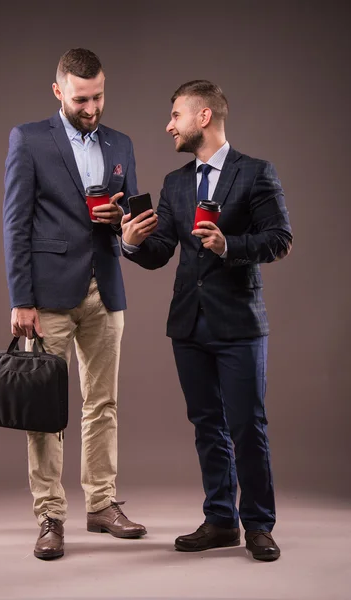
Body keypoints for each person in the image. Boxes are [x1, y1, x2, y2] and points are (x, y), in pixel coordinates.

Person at [121, 80, 293, 562]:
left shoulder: (256, 172)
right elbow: (160, 254)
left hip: (239, 323)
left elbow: (280, 239)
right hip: (188, 327)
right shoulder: (177, 183)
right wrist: (131, 241)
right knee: (206, 425)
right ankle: (221, 519)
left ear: (204, 117)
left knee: (247, 427)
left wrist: (229, 246)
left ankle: (258, 524)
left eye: (175, 114)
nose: (168, 124)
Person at [3, 48, 146, 561]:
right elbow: (15, 223)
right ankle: (50, 515)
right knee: (45, 411)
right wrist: (21, 298)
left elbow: (132, 222)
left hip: (106, 289)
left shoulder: (121, 143)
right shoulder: (29, 139)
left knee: (102, 402)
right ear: (58, 91)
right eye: (82, 99)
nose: (92, 108)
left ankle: (102, 504)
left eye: (99, 96)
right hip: (47, 297)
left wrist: (123, 226)